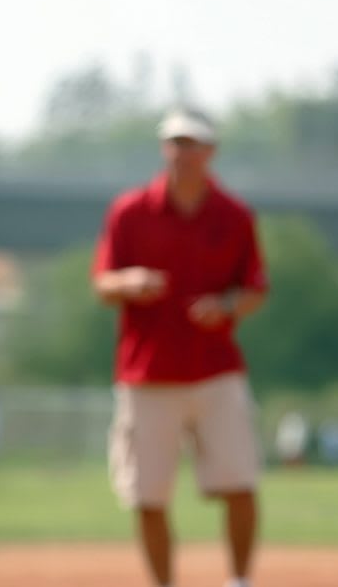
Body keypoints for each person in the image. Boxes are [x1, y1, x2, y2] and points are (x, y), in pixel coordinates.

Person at [93, 107, 268, 587]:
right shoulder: (130, 211)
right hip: (147, 373)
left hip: (215, 369)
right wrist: (129, 282)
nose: (181, 153)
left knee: (241, 483)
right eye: (174, 143)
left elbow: (254, 289)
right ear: (163, 148)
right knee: (147, 494)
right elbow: (103, 283)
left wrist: (225, 306)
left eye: (192, 144)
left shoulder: (234, 215)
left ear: (210, 152)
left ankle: (239, 582)